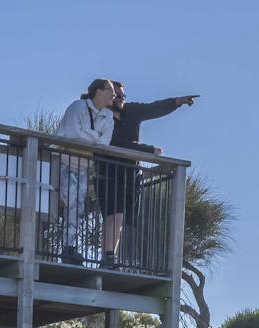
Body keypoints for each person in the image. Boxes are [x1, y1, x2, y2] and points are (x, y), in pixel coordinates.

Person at [100, 82, 199, 268]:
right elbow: (115, 142)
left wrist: (177, 102)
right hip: (109, 171)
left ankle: (110, 257)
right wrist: (148, 149)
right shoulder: (102, 116)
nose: (121, 99)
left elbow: (153, 108)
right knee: (112, 215)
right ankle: (108, 257)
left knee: (121, 219)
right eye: (117, 95)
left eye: (123, 96)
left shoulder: (131, 111)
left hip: (130, 173)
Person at [52, 78, 119, 265]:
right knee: (63, 204)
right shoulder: (78, 107)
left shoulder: (108, 117)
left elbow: (103, 143)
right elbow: (72, 133)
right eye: (110, 91)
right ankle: (67, 247)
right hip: (62, 161)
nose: (114, 95)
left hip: (82, 166)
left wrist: (85, 135)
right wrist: (94, 136)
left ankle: (70, 248)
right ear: (98, 91)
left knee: (78, 207)